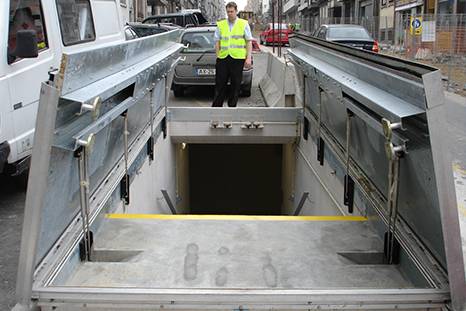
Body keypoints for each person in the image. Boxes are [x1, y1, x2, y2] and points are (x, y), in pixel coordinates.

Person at [212, 2, 253, 107]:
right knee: (220, 85)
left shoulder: (243, 24)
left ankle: (232, 108)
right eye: (228, 12)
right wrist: (217, 56)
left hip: (237, 59)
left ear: (236, 11)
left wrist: (248, 58)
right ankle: (216, 109)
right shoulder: (221, 24)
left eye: (232, 11)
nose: (230, 14)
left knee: (235, 85)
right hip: (223, 58)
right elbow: (217, 42)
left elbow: (248, 41)